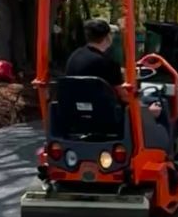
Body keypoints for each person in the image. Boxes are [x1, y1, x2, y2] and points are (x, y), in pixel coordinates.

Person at [65, 19, 170, 148]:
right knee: (160, 103)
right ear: (108, 37)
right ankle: (165, 151)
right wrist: (146, 110)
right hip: (108, 119)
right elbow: (125, 96)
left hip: (77, 116)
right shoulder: (107, 64)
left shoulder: (73, 58)